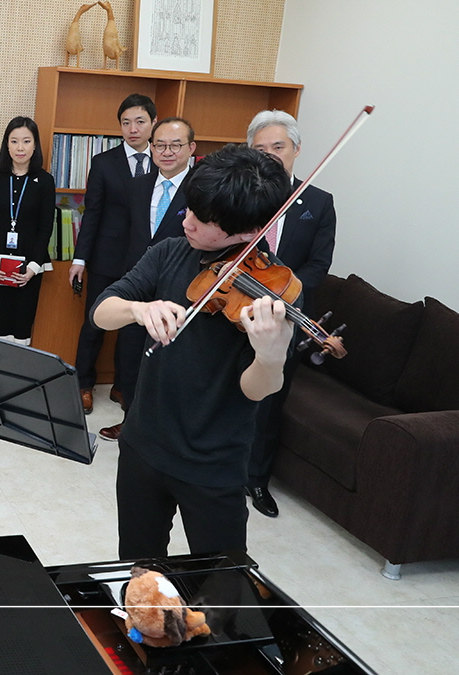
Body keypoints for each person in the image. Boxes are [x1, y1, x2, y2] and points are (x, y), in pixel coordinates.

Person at [92, 145, 295, 559]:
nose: (186, 221)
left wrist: (270, 355)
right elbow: (101, 313)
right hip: (142, 445)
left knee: (222, 582)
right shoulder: (170, 252)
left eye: (201, 220)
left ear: (247, 231)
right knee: (139, 567)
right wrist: (137, 308)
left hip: (213, 463)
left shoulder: (273, 290)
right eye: (188, 209)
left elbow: (257, 390)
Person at [244, 110, 337, 518]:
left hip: (287, 317)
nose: (269, 155)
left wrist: (283, 294)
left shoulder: (317, 202)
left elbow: (319, 265)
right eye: (260, 149)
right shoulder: (239, 195)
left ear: (296, 150)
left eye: (277, 147)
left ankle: (256, 480)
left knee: (269, 401)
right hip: (236, 307)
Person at [98, 116, 197, 442]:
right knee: (128, 358)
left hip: (179, 286)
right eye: (160, 145)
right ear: (151, 149)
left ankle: (162, 432)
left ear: (191, 148)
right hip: (136, 283)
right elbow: (126, 234)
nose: (167, 152)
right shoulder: (137, 185)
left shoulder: (201, 188)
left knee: (166, 363)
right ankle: (131, 422)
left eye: (175, 145)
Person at [69, 94, 156, 414]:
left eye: (140, 121)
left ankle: (123, 385)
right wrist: (80, 259)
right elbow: (91, 214)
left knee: (134, 327)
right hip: (106, 255)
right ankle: (83, 383)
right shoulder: (104, 162)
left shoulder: (163, 163)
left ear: (153, 124)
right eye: (126, 122)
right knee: (95, 322)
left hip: (145, 261)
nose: (132, 129)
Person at [0, 116, 56, 344]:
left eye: (26, 141)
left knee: (22, 328)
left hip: (29, 267)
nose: (20, 148)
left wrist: (32, 267)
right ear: (6, 144)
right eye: (14, 141)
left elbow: (45, 227)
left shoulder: (45, 181)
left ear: (35, 145)